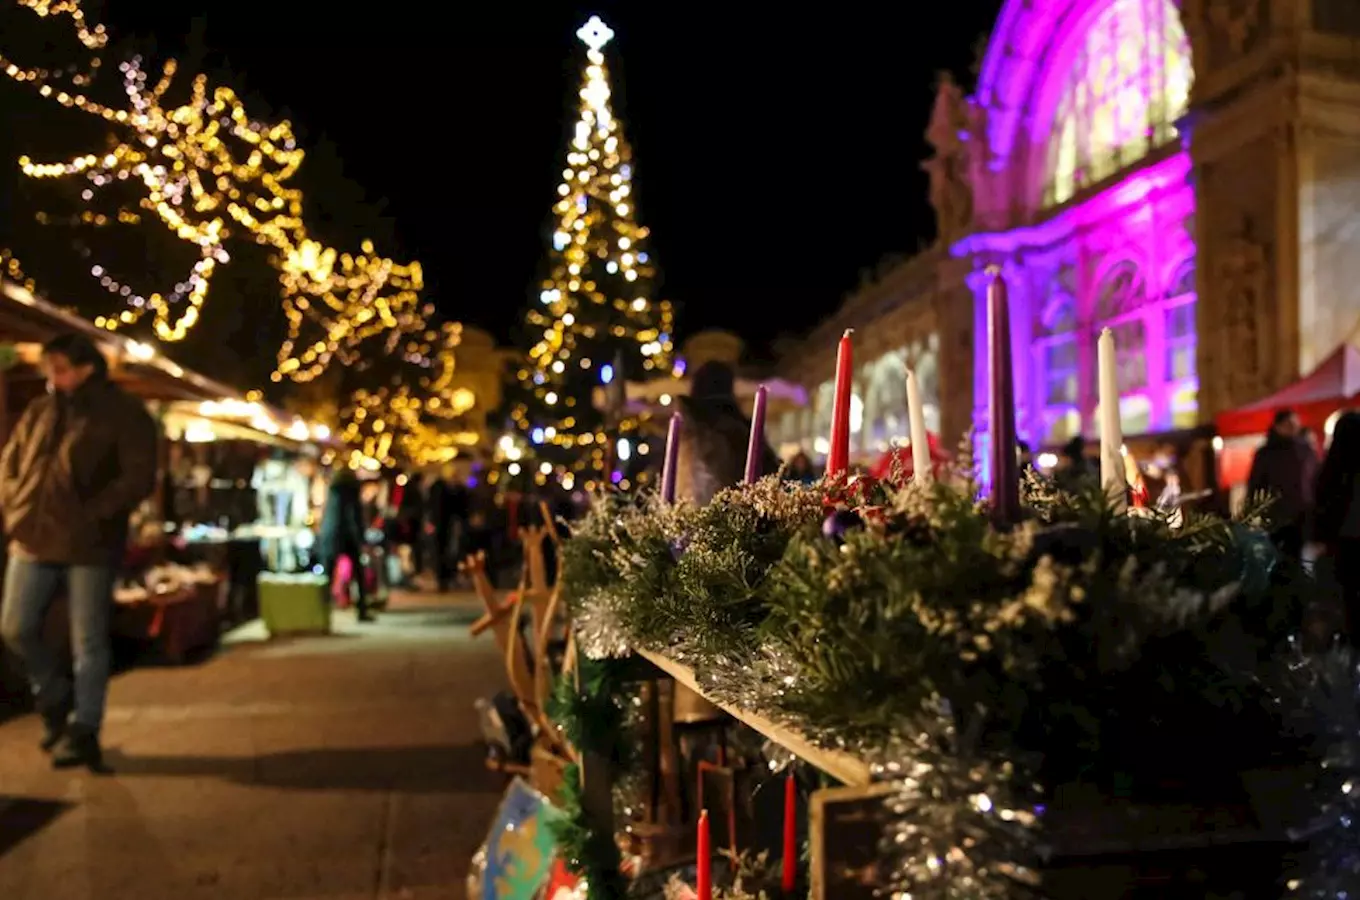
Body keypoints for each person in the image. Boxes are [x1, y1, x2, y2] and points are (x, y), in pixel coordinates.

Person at [0, 332, 158, 769]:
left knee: (88, 641)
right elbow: (11, 462)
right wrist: (13, 504)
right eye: (49, 368)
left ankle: (84, 728)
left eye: (61, 367)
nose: (53, 376)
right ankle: (54, 698)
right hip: (32, 537)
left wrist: (94, 515)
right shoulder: (40, 410)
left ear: (87, 367)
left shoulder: (123, 413)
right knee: (15, 626)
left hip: (90, 542)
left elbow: (138, 476)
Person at [673, 361, 779, 505]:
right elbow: (771, 471)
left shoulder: (687, 428)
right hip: (733, 513)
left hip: (690, 511)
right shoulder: (738, 430)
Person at [1246, 408, 1318, 559]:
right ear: (1278, 426)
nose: (1293, 427)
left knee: (1298, 554)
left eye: (1295, 424)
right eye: (1289, 424)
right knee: (1278, 554)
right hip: (1276, 513)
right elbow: (1256, 482)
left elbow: (1315, 477)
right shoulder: (1265, 453)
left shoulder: (1305, 449)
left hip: (1302, 512)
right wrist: (1254, 508)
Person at [1314, 411, 1360, 644]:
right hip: (1347, 542)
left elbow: (1323, 505)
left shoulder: (1333, 467)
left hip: (1343, 546)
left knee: (1348, 602)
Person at [318, 468, 374, 622]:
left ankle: (320, 611)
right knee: (359, 574)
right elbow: (353, 516)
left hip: (331, 536)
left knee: (327, 577)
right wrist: (361, 539)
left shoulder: (332, 492)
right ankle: (362, 610)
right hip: (348, 537)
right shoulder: (352, 492)